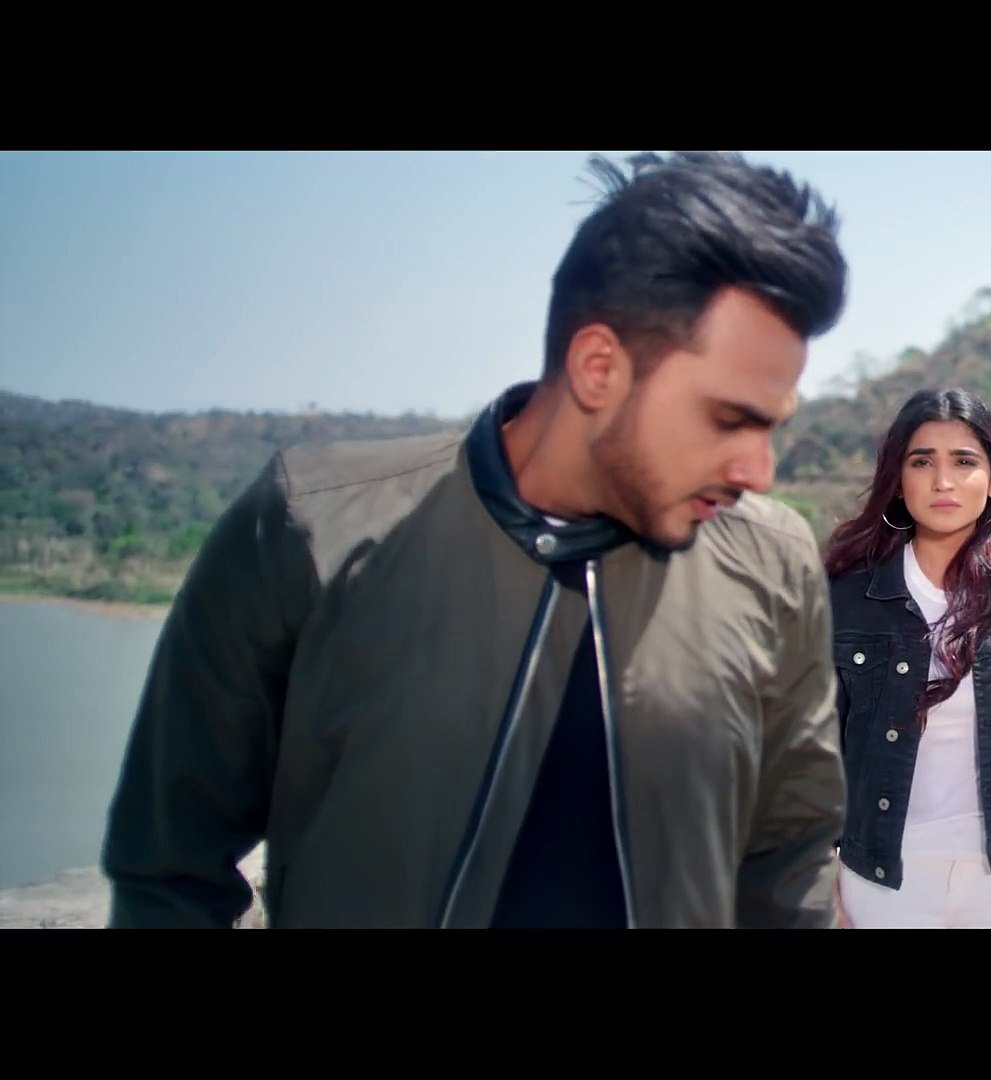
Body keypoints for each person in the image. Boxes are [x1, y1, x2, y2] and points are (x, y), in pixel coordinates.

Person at [99, 151, 851, 929]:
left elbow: (791, 851)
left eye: (771, 427)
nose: (759, 471)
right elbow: (170, 864)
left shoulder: (773, 561)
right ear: (599, 367)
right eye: (728, 420)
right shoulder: (312, 527)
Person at [821, 387, 991, 928]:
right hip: (883, 879)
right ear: (898, 480)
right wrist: (826, 884)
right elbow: (815, 756)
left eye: (964, 461)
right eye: (922, 462)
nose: (943, 481)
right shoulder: (847, 598)